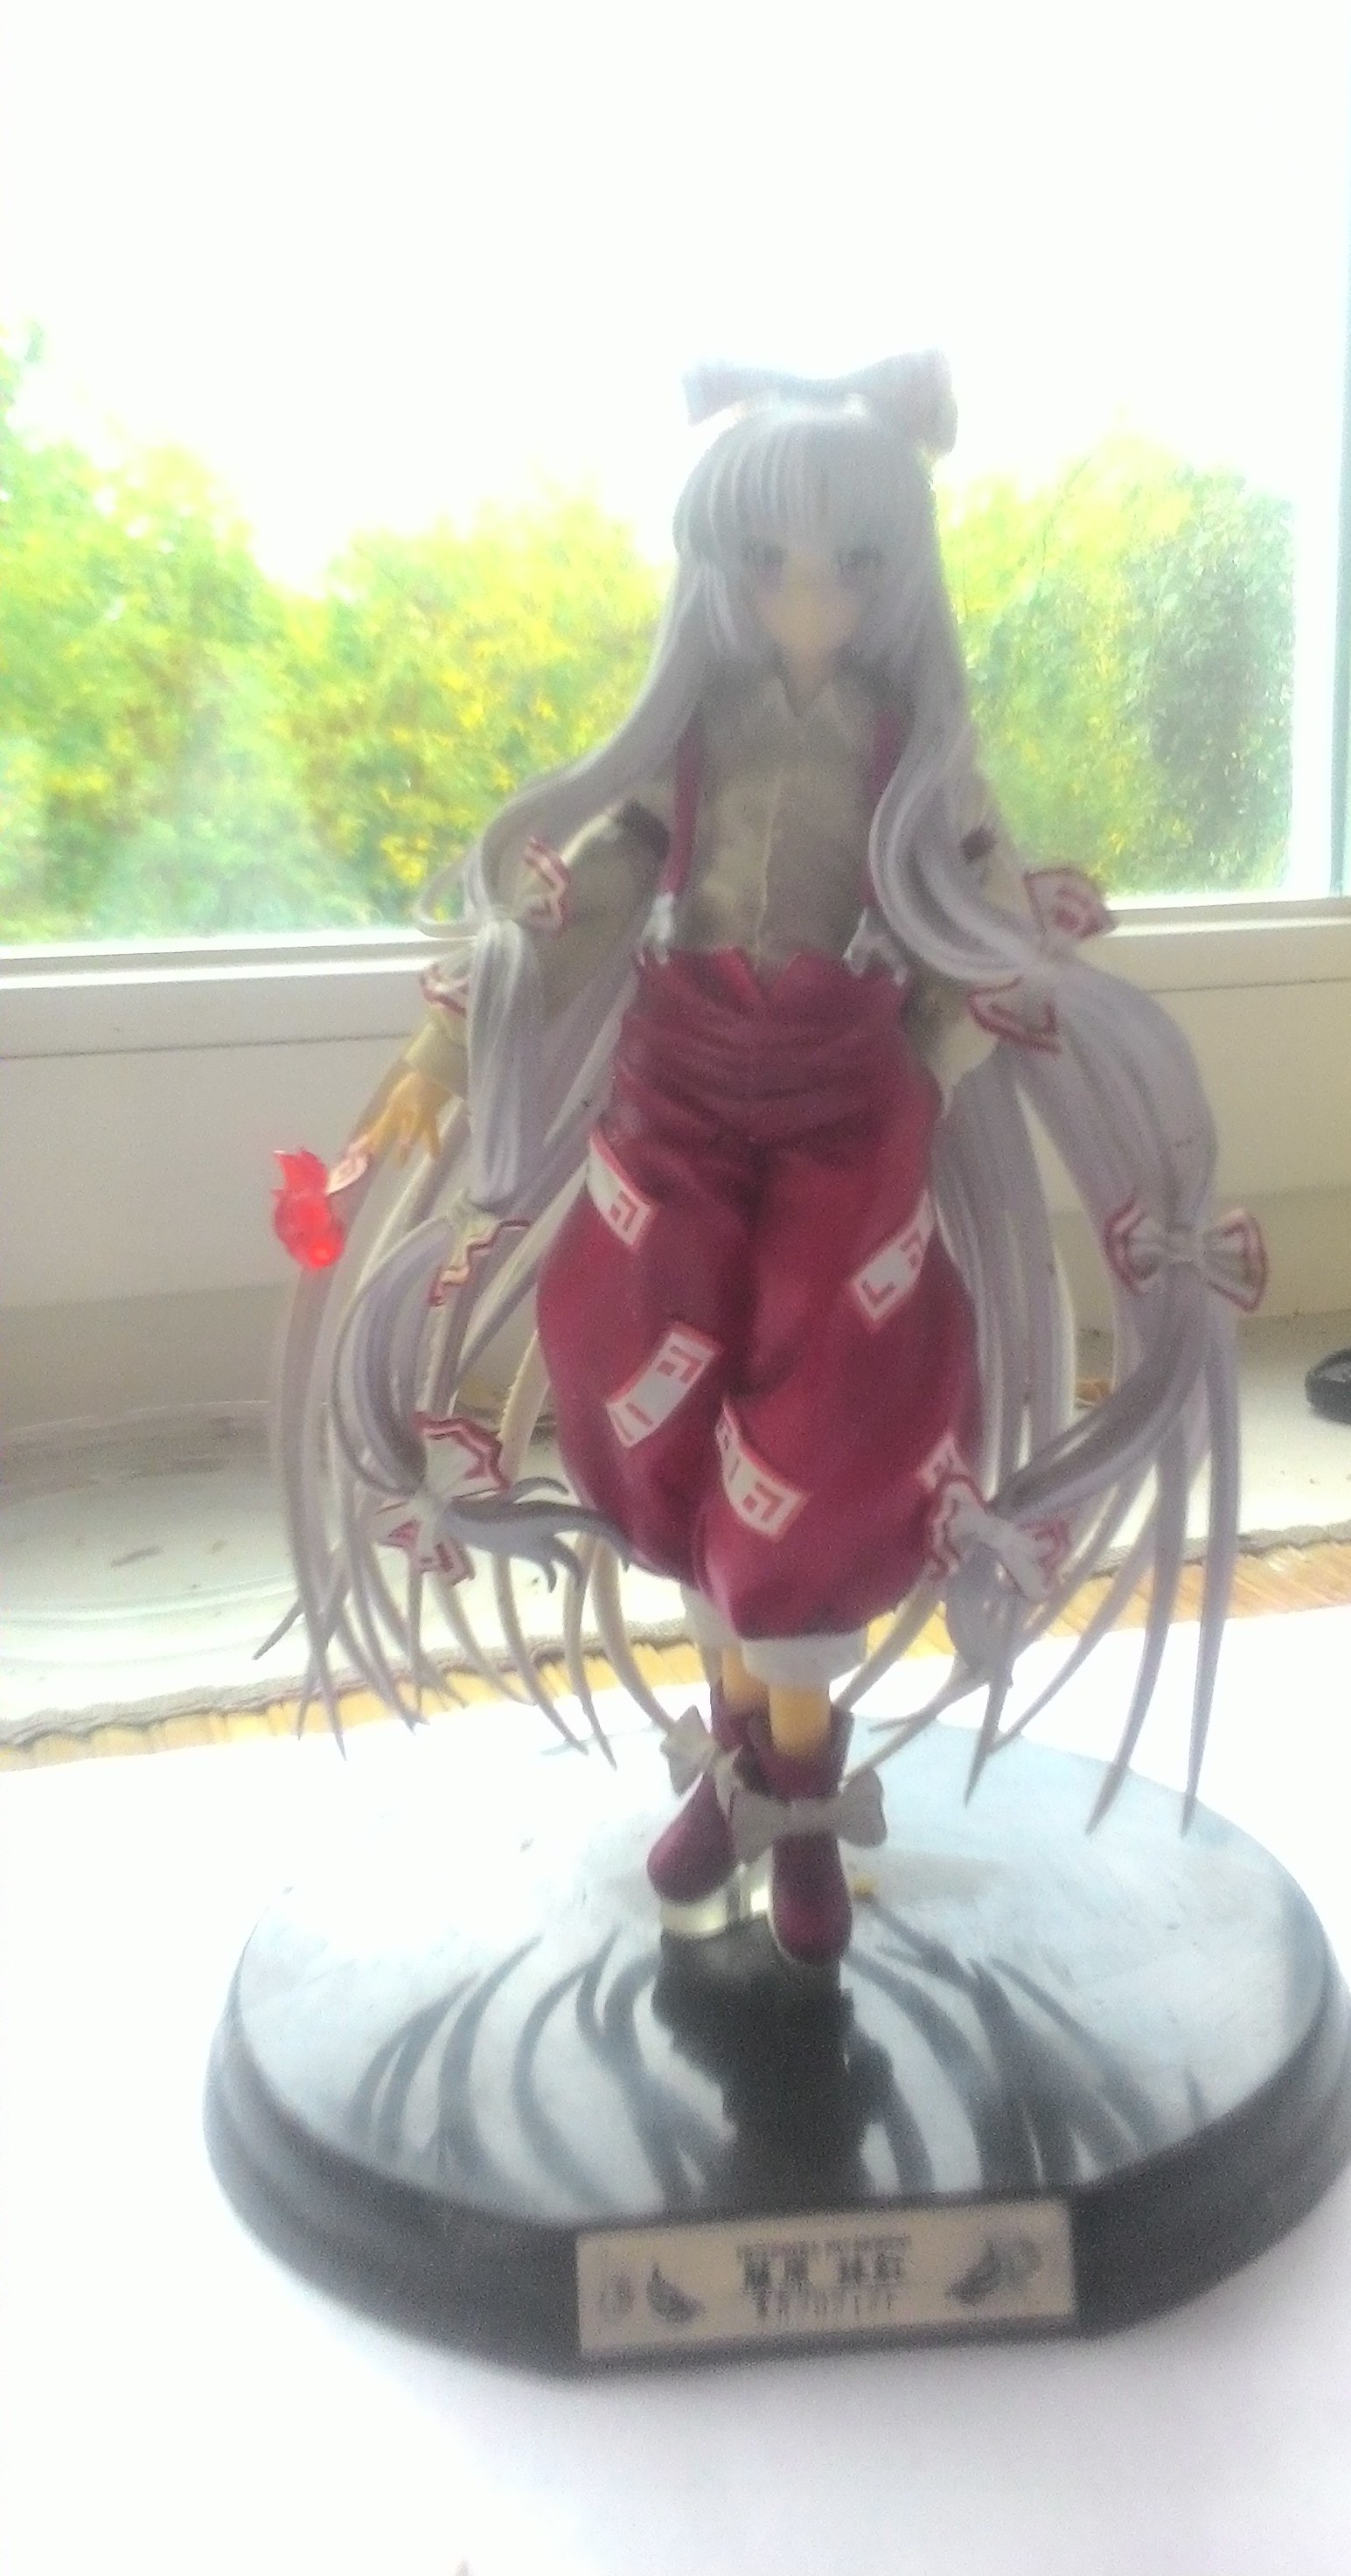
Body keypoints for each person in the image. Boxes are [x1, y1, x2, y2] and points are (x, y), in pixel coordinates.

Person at [275, 355, 1260, 1967]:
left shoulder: (912, 757)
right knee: (640, 1373)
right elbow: (580, 901)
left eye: (853, 563)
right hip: (673, 1098)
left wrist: (927, 1063)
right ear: (719, 569)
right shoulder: (690, 744)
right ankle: (741, 1760)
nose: (810, 595)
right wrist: (450, 1046)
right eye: (772, 561)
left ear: (897, 576)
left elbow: (981, 929)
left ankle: (796, 1789)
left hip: (842, 1114)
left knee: (826, 1415)